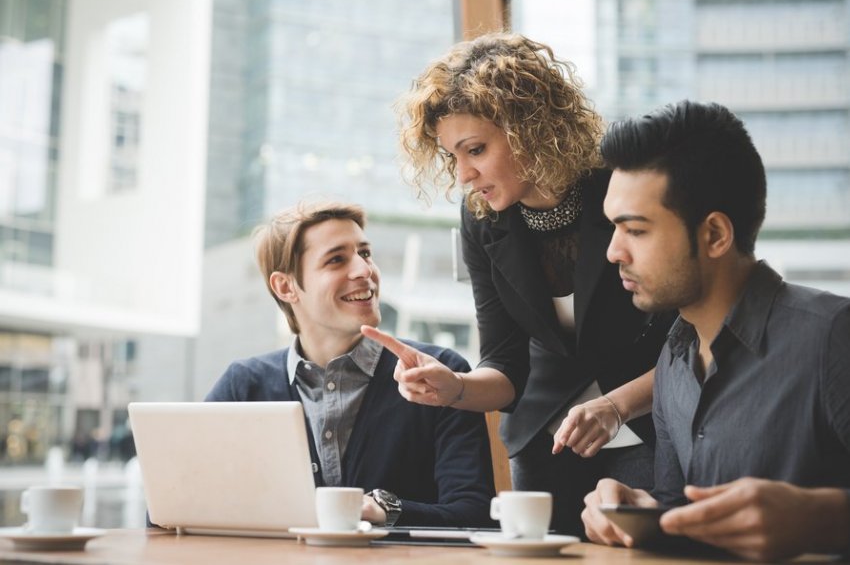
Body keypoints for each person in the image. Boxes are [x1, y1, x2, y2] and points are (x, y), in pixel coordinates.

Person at [362, 32, 675, 535]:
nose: (464, 174)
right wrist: (455, 388)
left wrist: (617, 405)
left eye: (476, 150)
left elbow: (693, 341)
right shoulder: (483, 218)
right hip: (545, 440)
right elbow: (506, 362)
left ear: (531, 127)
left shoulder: (621, 182)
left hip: (650, 425)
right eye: (452, 158)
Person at [581, 100, 850, 561]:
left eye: (636, 231)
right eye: (614, 229)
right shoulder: (674, 360)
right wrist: (643, 513)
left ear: (715, 236)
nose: (613, 253)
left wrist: (823, 519)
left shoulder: (832, 337)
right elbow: (682, 511)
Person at [206, 201, 495, 528]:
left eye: (365, 253)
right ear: (286, 286)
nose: (364, 271)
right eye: (336, 259)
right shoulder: (243, 385)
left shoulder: (440, 372)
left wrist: (387, 510)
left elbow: (475, 513)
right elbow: (175, 504)